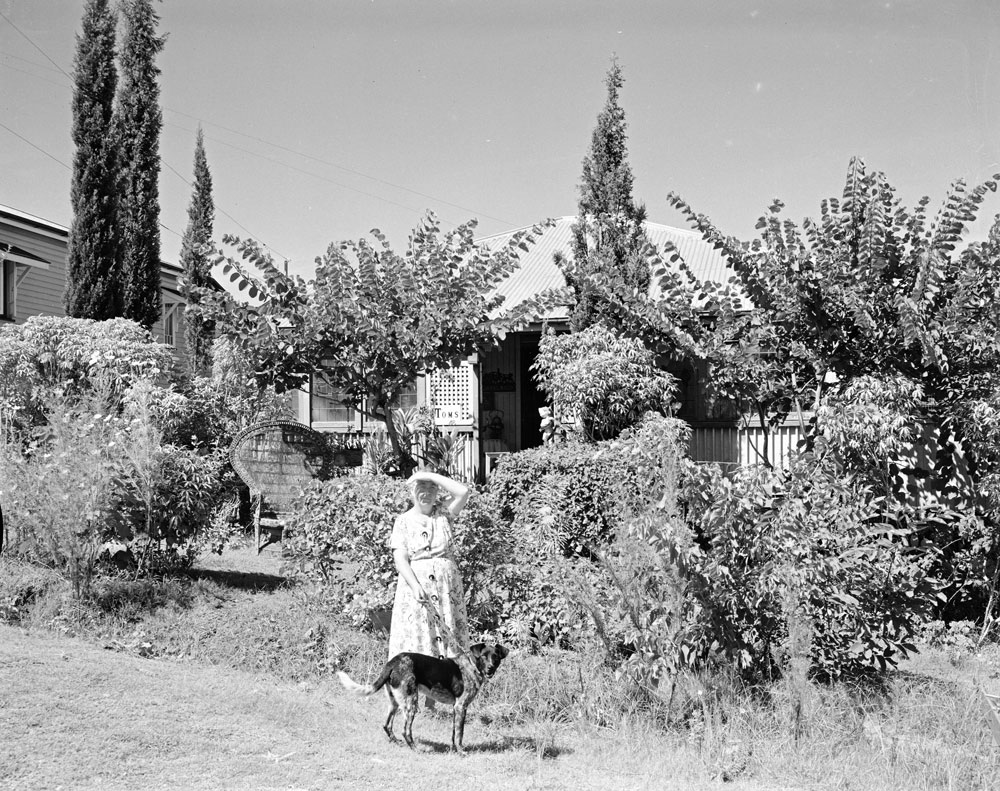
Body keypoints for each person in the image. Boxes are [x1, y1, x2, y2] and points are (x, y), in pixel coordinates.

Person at [387, 470, 471, 661]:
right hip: (417, 588)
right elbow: (400, 559)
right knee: (420, 635)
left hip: (446, 589)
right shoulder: (403, 521)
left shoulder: (444, 514)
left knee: (449, 634)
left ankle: (448, 683)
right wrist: (415, 586)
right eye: (421, 488)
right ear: (411, 492)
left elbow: (463, 492)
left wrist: (429, 475)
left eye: (431, 488)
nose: (426, 493)